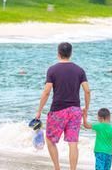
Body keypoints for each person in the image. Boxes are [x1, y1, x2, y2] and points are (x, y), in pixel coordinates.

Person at [35, 42, 91, 170]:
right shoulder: (79, 70)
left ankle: (57, 168)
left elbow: (47, 91)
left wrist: (39, 111)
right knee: (73, 143)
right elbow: (87, 90)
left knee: (50, 140)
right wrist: (86, 109)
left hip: (58, 111)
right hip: (75, 110)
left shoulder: (52, 69)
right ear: (71, 53)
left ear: (58, 53)